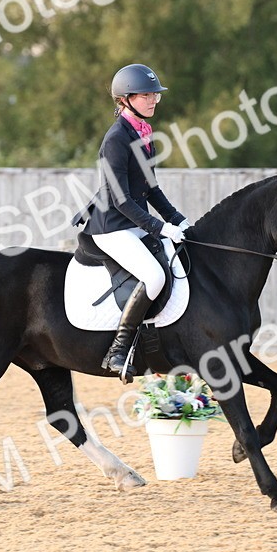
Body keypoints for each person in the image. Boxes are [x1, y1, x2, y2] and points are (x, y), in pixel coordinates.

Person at [81, 63, 190, 375]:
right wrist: (159, 227)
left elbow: (152, 189)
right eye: (146, 95)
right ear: (124, 99)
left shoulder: (143, 134)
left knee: (176, 260)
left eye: (155, 95)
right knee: (154, 276)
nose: (153, 100)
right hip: (112, 227)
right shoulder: (115, 139)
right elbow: (121, 199)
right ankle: (119, 349)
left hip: (131, 224)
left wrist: (178, 220)